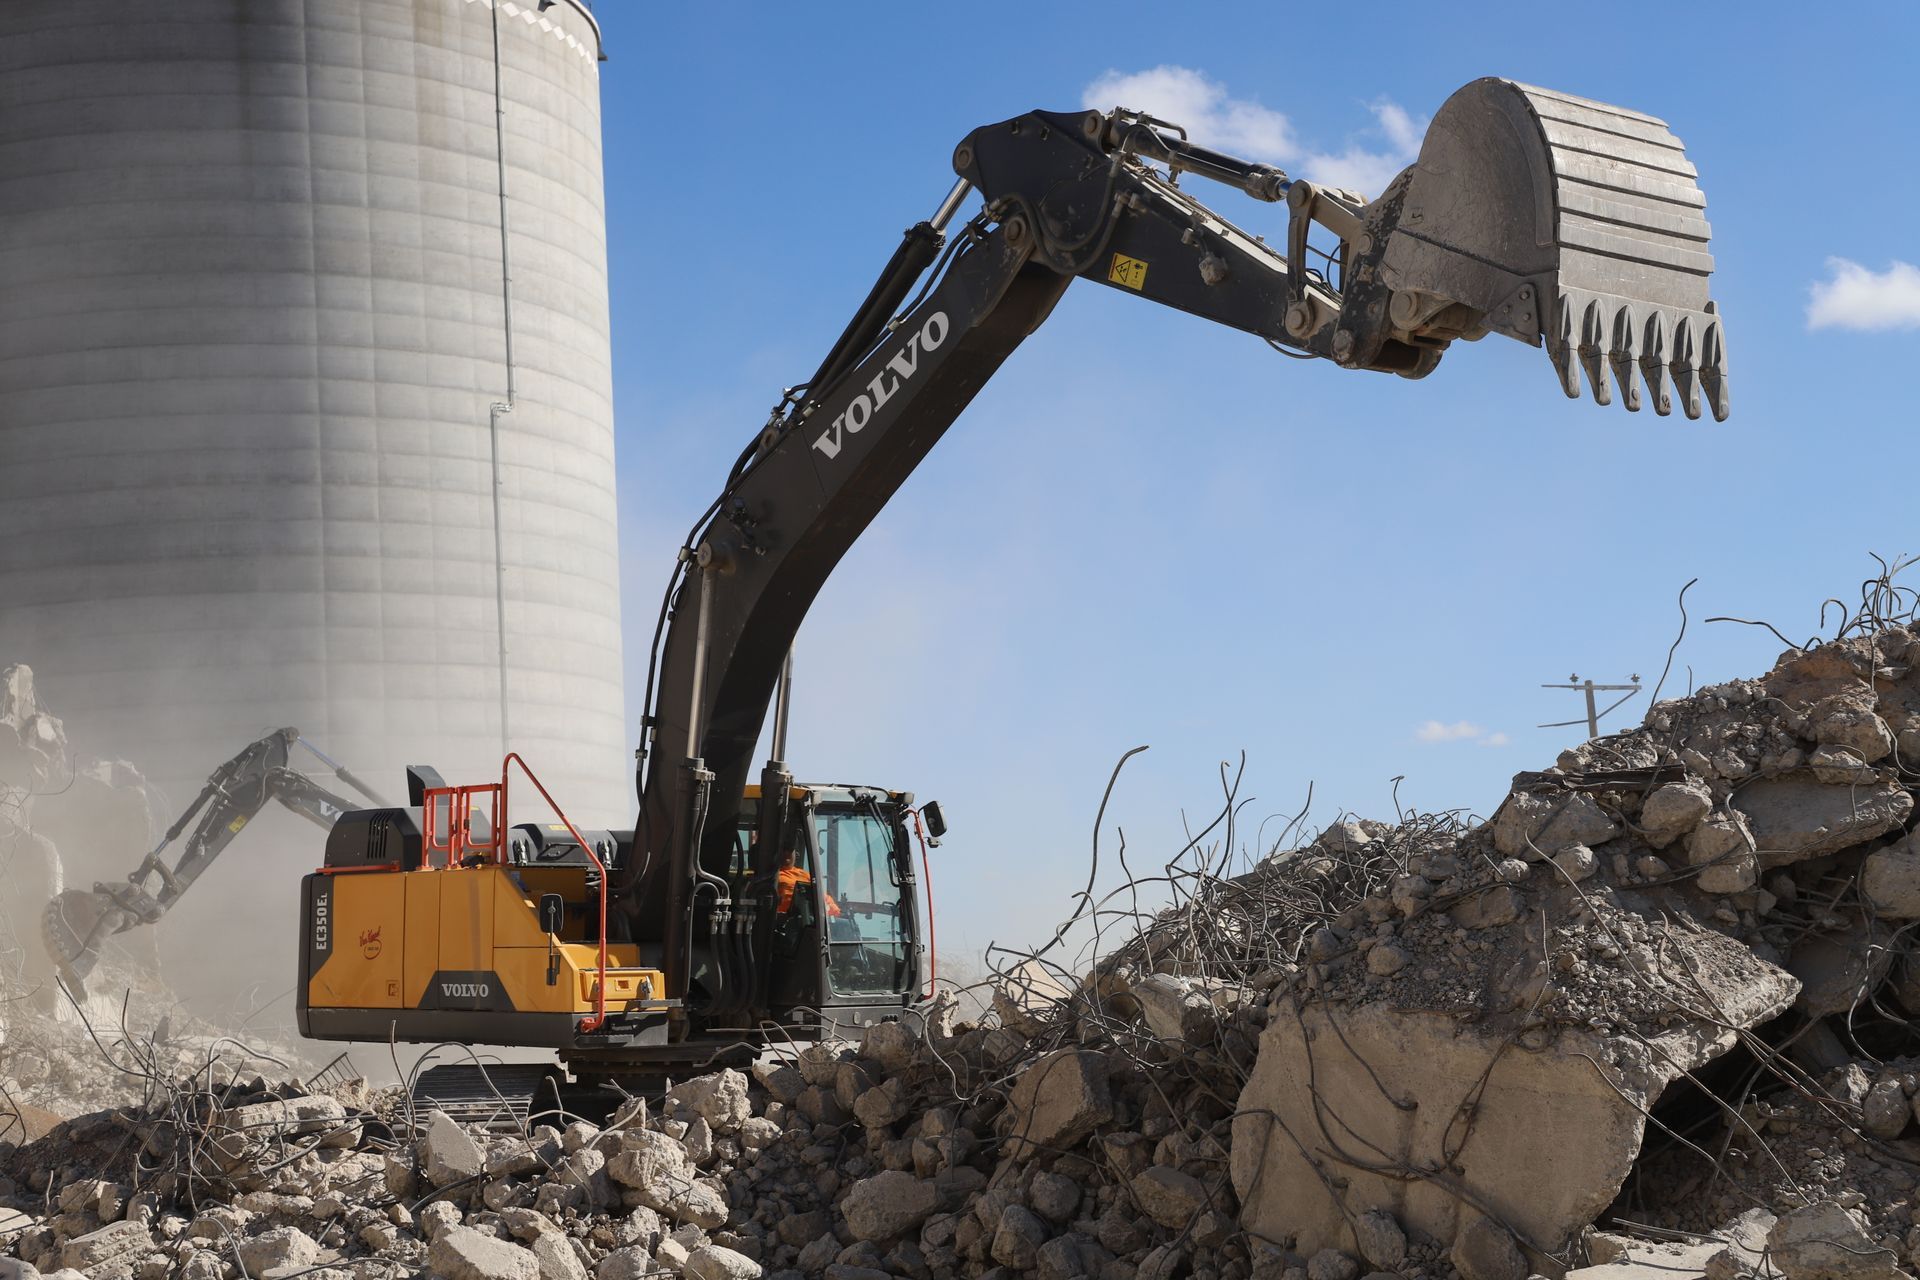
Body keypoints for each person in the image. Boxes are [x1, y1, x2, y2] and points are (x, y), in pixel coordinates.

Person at [775, 844, 840, 919]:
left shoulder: (808, 876)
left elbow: (824, 900)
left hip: (809, 922)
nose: (786, 853)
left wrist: (828, 909)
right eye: (783, 849)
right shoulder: (768, 875)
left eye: (789, 849)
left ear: (796, 854)